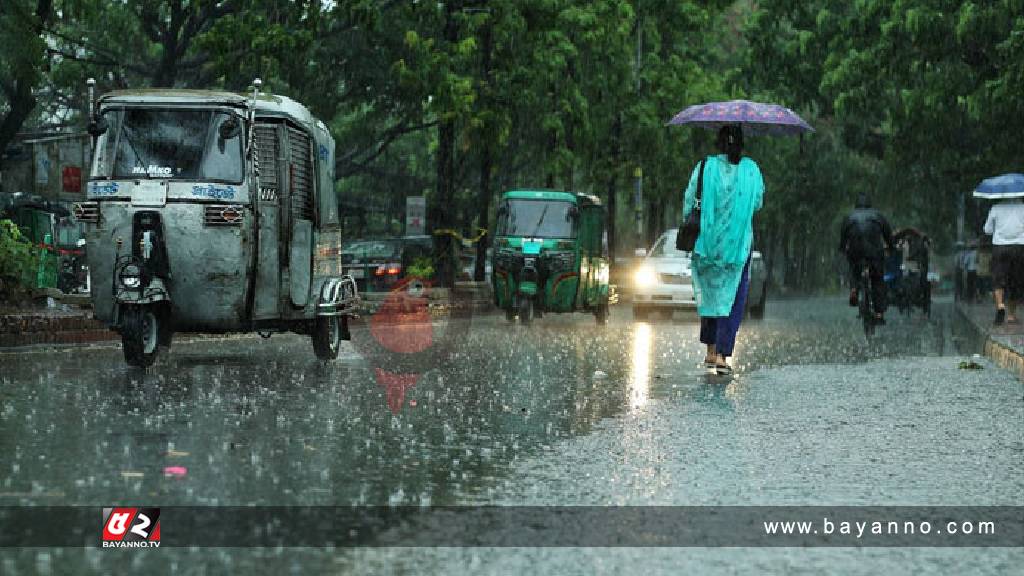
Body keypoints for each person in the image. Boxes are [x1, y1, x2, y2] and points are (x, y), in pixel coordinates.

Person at [682, 125, 764, 375]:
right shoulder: (752, 170)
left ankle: (709, 349)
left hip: (707, 244)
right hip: (738, 246)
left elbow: (689, 202)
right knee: (734, 297)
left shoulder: (705, 167)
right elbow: (758, 202)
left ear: (718, 143)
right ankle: (722, 355)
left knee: (711, 295)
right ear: (742, 145)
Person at [838, 193, 894, 324]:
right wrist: (891, 247)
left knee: (854, 268)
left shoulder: (849, 217)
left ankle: (853, 289)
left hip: (855, 251)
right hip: (874, 252)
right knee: (878, 279)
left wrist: (843, 249)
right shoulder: (878, 215)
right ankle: (879, 313)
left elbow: (843, 240)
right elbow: (888, 235)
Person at [982, 198, 1024, 325]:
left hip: (1000, 247)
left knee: (998, 279)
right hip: (1019, 247)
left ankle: (1000, 305)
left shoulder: (995, 208)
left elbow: (987, 230)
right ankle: (1011, 315)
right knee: (1015, 280)